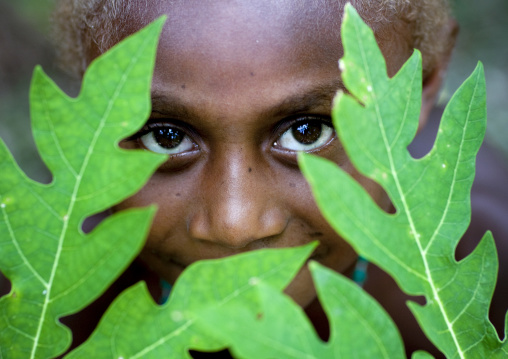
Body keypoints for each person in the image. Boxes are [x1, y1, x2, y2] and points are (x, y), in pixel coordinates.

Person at [50, 0, 507, 357]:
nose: (235, 224)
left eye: (307, 131)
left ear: (423, 84)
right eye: (165, 137)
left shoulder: (488, 276)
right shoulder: (49, 312)